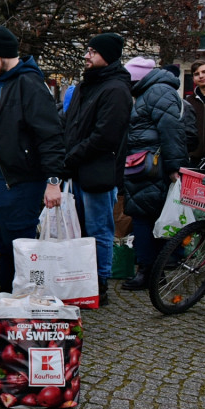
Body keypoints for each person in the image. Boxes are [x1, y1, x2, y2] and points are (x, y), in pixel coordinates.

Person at [0, 26, 65, 293]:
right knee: (4, 247)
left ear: (4, 54)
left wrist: (53, 181)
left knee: (23, 249)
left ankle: (28, 302)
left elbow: (49, 134)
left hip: (18, 183)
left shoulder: (28, 83)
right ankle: (9, 302)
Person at [63, 34, 133, 305]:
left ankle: (99, 284)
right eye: (87, 50)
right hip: (77, 170)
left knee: (99, 231)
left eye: (92, 51)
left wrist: (72, 157)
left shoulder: (116, 89)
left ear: (107, 55)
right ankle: (80, 282)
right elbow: (70, 125)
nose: (87, 56)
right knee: (78, 231)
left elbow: (105, 136)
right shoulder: (85, 86)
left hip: (98, 172)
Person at [120, 57, 188, 291]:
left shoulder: (157, 91)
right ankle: (150, 272)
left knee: (146, 218)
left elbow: (172, 130)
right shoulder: (149, 92)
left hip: (152, 168)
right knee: (144, 218)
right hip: (143, 166)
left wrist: (174, 167)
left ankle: (150, 272)